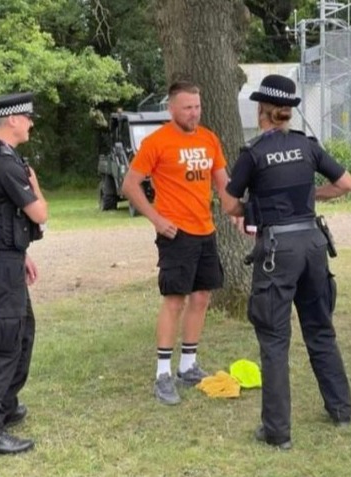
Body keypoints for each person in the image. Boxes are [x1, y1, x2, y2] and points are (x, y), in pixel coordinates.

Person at [221, 74, 351, 450]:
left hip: (277, 251)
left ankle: (277, 433)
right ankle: (341, 410)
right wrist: (315, 196)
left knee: (275, 341)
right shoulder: (307, 146)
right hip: (312, 243)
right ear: (287, 111)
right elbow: (347, 184)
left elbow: (230, 204)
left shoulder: (253, 154)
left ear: (262, 110)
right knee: (320, 329)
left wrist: (253, 209)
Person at [122, 80, 229, 405]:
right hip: (176, 235)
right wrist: (157, 219)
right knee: (174, 300)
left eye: (197, 107)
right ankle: (163, 374)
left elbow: (223, 183)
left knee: (201, 296)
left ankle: (188, 365)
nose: (194, 113)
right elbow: (130, 185)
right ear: (171, 108)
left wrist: (236, 211)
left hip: (205, 231)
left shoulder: (209, 138)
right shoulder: (157, 142)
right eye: (187, 107)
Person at [0, 92, 48, 454]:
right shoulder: (5, 164)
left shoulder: (2, 158)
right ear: (11, 120)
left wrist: (21, 252)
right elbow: (39, 213)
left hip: (6, 259)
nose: (30, 122)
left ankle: (6, 406)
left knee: (22, 332)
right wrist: (36, 184)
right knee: (3, 343)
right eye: (26, 117)